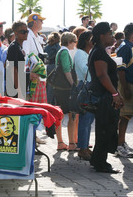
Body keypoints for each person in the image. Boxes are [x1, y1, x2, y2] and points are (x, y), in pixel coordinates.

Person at [88, 22, 123, 173]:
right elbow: (102, 75)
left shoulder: (99, 51)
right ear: (102, 36)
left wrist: (116, 92)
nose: (112, 36)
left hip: (106, 95)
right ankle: (100, 163)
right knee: (105, 129)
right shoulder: (99, 52)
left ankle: (98, 160)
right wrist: (114, 93)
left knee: (105, 128)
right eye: (110, 33)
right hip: (103, 97)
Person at [116, 22, 133, 158]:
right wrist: (125, 88)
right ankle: (119, 145)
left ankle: (122, 143)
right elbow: (121, 69)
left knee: (127, 116)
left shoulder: (130, 47)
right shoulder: (125, 47)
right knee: (125, 115)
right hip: (127, 85)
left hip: (131, 85)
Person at [52, 32, 78, 151]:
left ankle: (60, 142)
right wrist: (73, 84)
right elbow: (67, 70)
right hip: (66, 89)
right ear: (69, 42)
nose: (75, 44)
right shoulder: (65, 52)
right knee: (72, 114)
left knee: (59, 115)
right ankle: (71, 143)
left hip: (59, 88)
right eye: (74, 41)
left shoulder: (60, 51)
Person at [73, 31, 94, 160]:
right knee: (85, 119)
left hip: (88, 86)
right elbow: (86, 71)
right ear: (87, 41)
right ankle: (82, 148)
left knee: (88, 120)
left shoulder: (85, 53)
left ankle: (85, 146)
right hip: (86, 86)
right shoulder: (81, 53)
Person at [23, 13, 48, 104]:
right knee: (34, 109)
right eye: (41, 21)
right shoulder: (28, 36)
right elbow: (25, 56)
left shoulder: (36, 37)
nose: (42, 23)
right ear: (35, 22)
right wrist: (29, 73)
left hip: (39, 79)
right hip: (33, 79)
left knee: (40, 109)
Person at [5, 20, 29, 98]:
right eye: (23, 32)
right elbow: (13, 70)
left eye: (27, 31)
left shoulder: (19, 46)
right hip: (14, 88)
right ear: (15, 32)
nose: (26, 34)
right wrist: (19, 90)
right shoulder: (14, 47)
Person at [44, 32, 61, 104]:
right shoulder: (57, 46)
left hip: (49, 66)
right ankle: (52, 103)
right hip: (55, 66)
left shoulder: (47, 46)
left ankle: (48, 102)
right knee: (54, 87)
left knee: (49, 87)